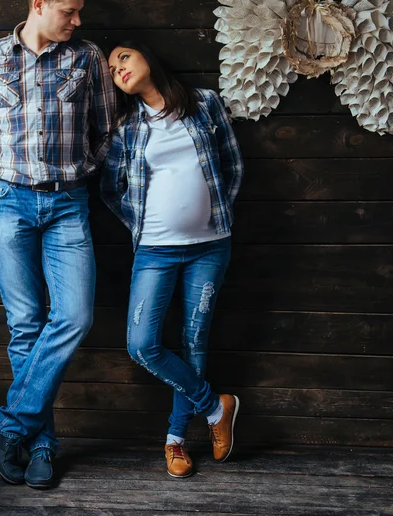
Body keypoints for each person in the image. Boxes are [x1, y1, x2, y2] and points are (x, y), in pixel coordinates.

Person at [0, 0, 116, 489]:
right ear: (39, 5)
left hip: (68, 206)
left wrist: (77, 173)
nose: (77, 21)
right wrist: (5, 176)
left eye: (80, 12)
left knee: (75, 316)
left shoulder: (87, 59)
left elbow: (107, 132)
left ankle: (8, 423)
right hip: (9, 204)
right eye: (69, 11)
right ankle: (39, 444)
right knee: (24, 324)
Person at [99, 41, 244, 478]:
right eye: (110, 68)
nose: (117, 68)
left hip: (210, 246)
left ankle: (176, 440)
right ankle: (217, 410)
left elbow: (232, 166)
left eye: (123, 57)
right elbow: (111, 189)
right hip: (155, 252)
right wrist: (147, 224)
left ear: (148, 56)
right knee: (142, 345)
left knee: (194, 340)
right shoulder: (127, 128)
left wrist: (215, 214)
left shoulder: (205, 104)